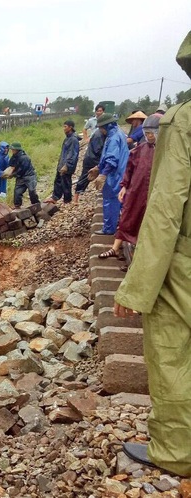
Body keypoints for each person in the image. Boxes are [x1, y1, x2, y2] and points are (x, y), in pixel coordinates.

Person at [114, 31, 191, 478]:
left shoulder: (182, 121)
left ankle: (177, 450)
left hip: (184, 258)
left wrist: (139, 286)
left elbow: (165, 208)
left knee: (171, 348)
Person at [99, 114, 161, 263]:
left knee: (145, 223)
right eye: (146, 134)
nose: (149, 136)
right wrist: (124, 186)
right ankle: (115, 248)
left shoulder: (165, 152)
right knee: (127, 217)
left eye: (152, 133)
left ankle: (139, 256)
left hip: (153, 193)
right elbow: (130, 168)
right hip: (136, 190)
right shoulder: (141, 149)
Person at [91, 113, 129, 235]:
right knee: (118, 200)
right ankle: (119, 224)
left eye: (101, 127)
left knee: (110, 200)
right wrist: (98, 168)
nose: (100, 130)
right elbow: (107, 156)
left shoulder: (113, 138)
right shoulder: (117, 132)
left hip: (114, 175)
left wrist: (103, 174)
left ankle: (109, 228)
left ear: (106, 126)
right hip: (119, 172)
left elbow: (112, 159)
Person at [45, 120, 79, 204]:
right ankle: (55, 197)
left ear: (70, 127)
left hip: (66, 165)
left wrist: (67, 165)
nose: (64, 128)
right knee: (58, 181)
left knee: (66, 182)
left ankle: (67, 200)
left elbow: (72, 154)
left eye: (65, 126)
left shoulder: (73, 140)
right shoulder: (67, 138)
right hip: (62, 164)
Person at [74, 119, 107, 203]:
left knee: (85, 177)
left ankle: (76, 198)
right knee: (86, 177)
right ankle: (76, 198)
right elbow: (98, 150)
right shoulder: (99, 135)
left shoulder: (99, 133)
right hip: (93, 159)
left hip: (91, 157)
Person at [6, 142, 40, 208]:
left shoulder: (24, 158)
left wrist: (13, 174)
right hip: (20, 177)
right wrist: (7, 173)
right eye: (11, 149)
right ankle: (17, 206)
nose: (12, 151)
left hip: (29, 176)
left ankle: (36, 205)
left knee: (32, 191)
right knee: (17, 192)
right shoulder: (13, 158)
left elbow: (22, 169)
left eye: (13, 149)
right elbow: (10, 166)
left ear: (17, 149)